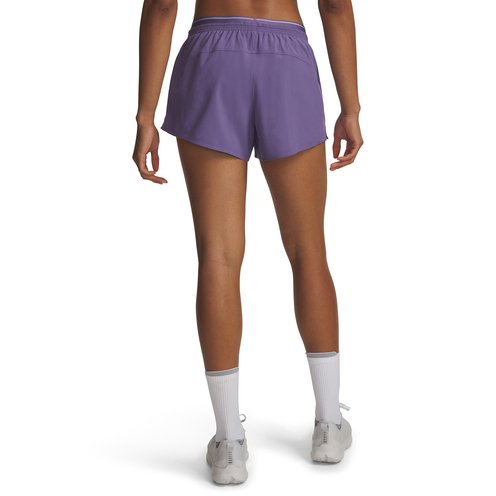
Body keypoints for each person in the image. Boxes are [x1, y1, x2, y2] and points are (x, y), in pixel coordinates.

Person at [132, 0, 363, 485]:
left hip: (211, 58)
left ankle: (229, 445)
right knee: (308, 252)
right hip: (287, 60)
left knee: (217, 257)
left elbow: (162, 6)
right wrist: (351, 107)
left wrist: (145, 115)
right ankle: (328, 425)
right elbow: (334, 6)